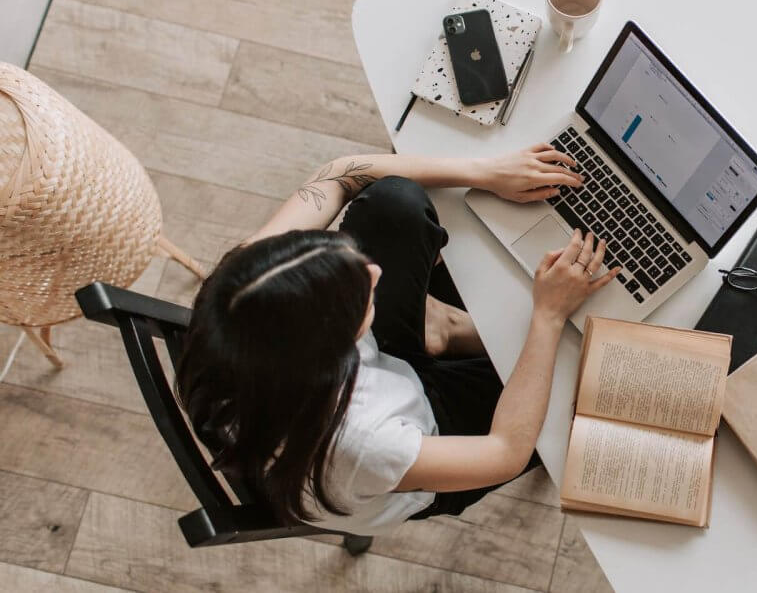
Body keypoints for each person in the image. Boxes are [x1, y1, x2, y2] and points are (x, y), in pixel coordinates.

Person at [175, 143, 621, 535]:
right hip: (425, 440)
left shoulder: (246, 287)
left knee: (393, 201)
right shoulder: (364, 443)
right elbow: (504, 451)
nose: (374, 272)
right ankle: (446, 333)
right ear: (333, 350)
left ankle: (439, 332)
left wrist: (484, 171)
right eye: (358, 296)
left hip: (356, 385)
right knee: (588, 386)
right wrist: (547, 316)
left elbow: (338, 175)